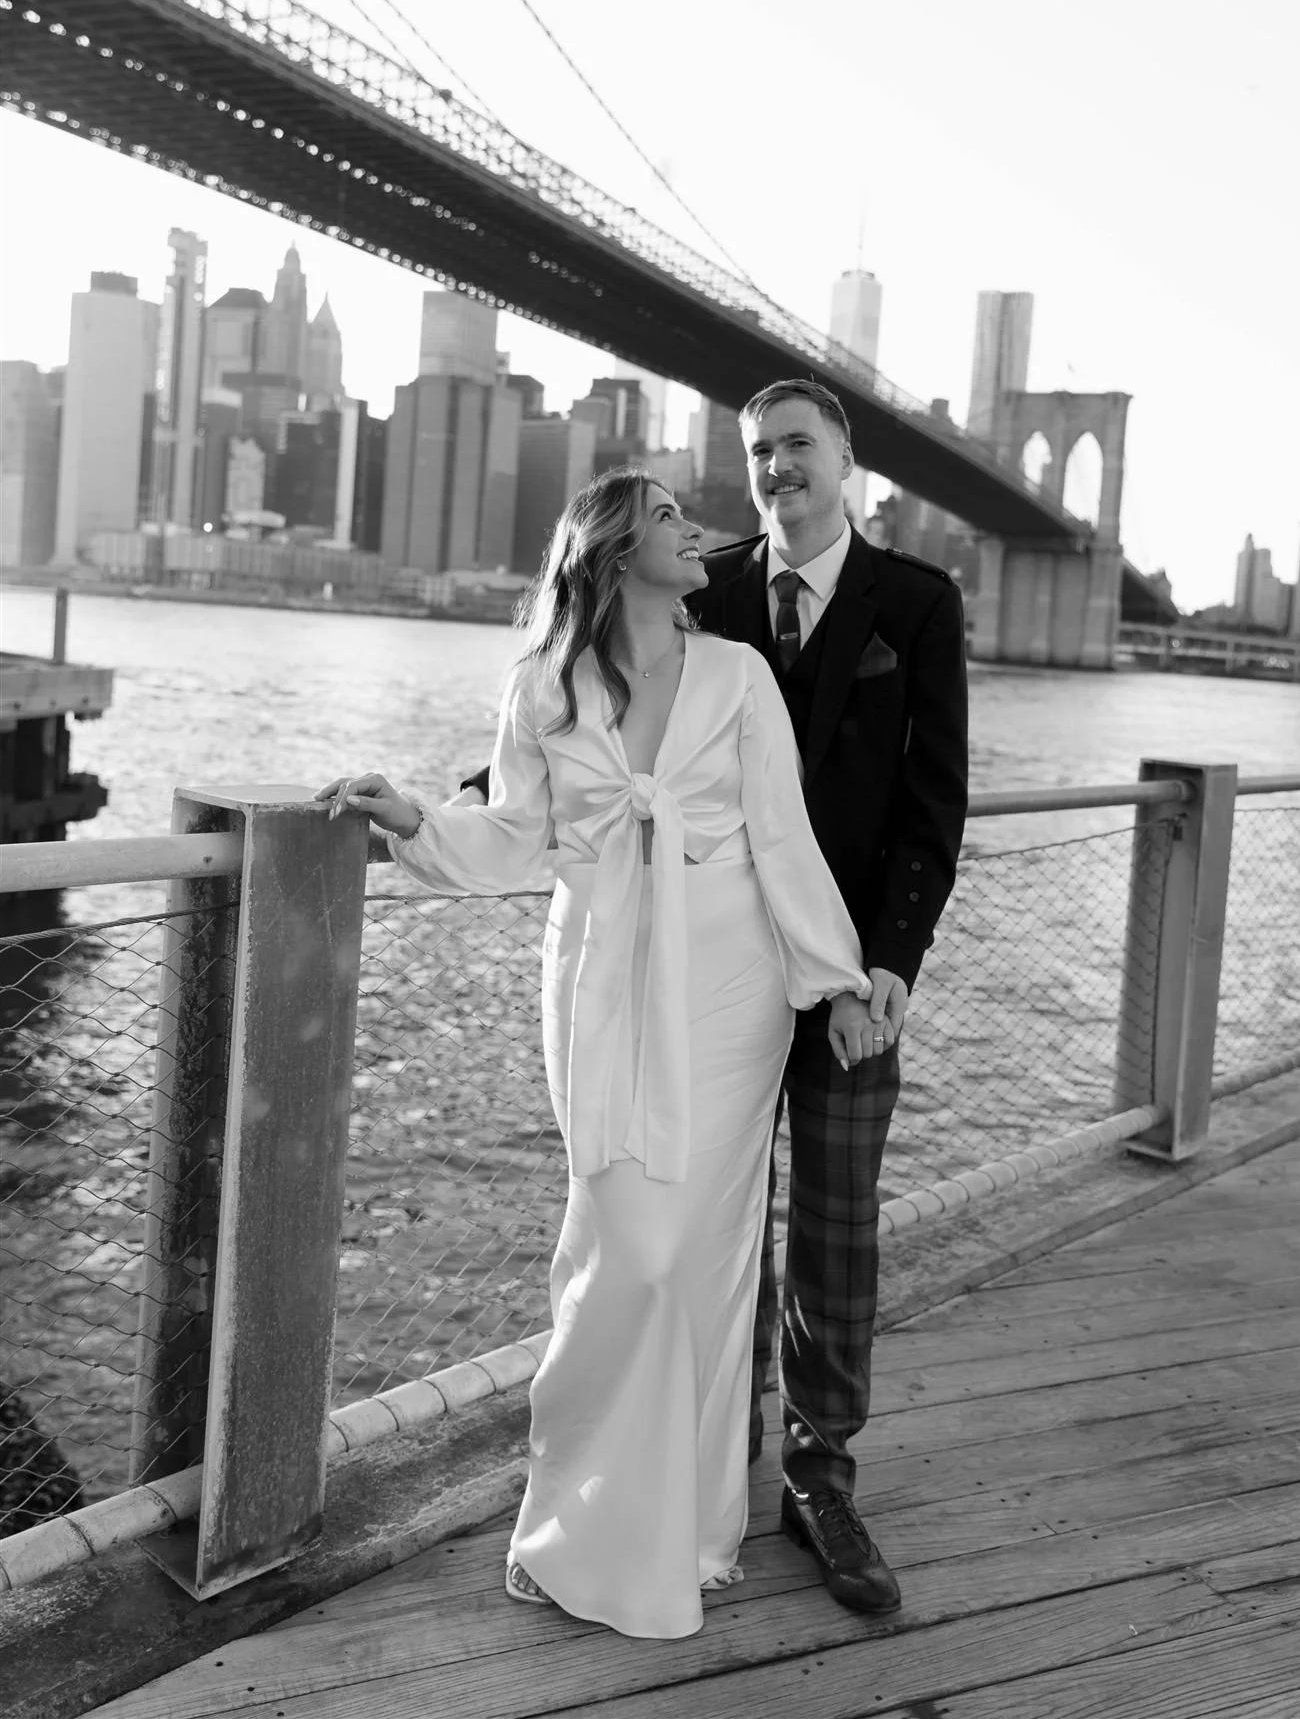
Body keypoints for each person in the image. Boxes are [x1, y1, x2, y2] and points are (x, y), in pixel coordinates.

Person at [316, 467, 888, 1642]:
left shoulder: (739, 675)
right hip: (602, 986)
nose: (698, 530)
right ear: (619, 549)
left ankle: (682, 1529)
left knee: (698, 1255)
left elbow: (783, 836)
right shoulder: (541, 684)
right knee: (621, 1247)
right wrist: (413, 816)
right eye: (671, 517)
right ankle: (570, 1520)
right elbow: (516, 833)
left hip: (731, 991)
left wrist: (831, 978)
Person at [689, 376, 969, 1616]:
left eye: (798, 444)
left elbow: (932, 809)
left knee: (837, 1234)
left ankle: (821, 1476)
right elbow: (619, 716)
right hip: (722, 972)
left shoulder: (917, 603)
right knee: (713, 1227)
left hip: (847, 980)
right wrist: (481, 790)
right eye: (757, 450)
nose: (775, 466)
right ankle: (710, 1466)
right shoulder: (703, 588)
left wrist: (889, 970)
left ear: (848, 460)